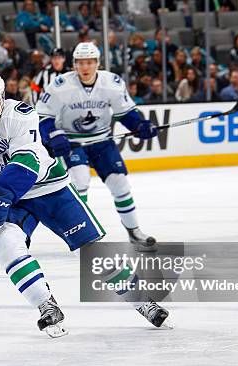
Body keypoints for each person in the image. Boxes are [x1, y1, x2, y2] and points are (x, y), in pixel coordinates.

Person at [0, 68, 170, 337]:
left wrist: (0, 194)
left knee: (90, 250)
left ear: (1, 98)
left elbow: (26, 161)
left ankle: (143, 301)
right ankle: (46, 306)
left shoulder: (21, 115)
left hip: (48, 189)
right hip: (6, 197)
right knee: (5, 245)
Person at [36, 42, 158, 252]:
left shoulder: (112, 82)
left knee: (120, 184)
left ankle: (134, 231)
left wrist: (140, 125)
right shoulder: (60, 84)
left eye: (90, 62)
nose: (85, 67)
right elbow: (43, 116)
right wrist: (54, 136)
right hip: (73, 142)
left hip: (102, 140)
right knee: (80, 181)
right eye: (81, 63)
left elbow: (125, 113)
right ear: (74, 64)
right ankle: (84, 236)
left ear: (97, 63)